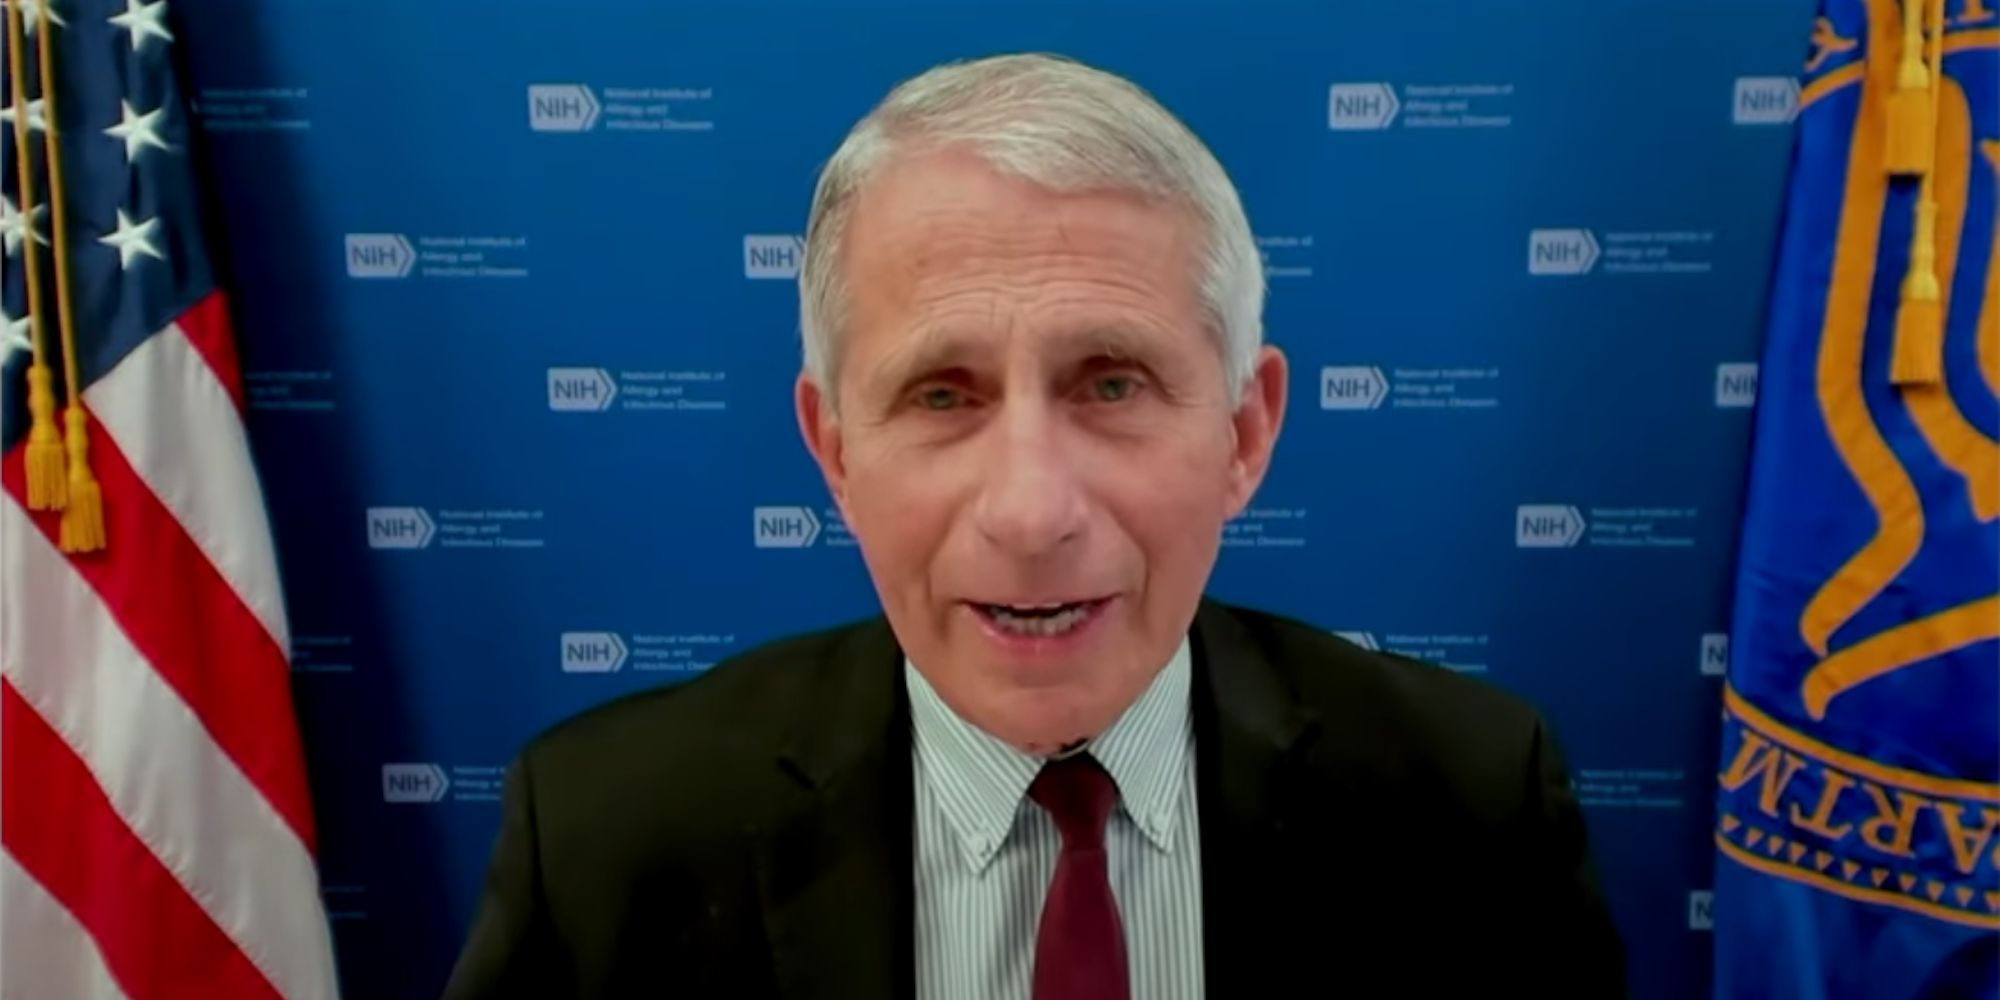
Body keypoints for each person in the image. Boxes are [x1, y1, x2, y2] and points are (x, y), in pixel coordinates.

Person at [442, 52, 1630, 1000]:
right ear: (836, 452)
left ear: (1244, 431)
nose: (1029, 510)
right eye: (941, 394)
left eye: (1110, 384)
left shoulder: (1472, 806)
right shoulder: (604, 842)